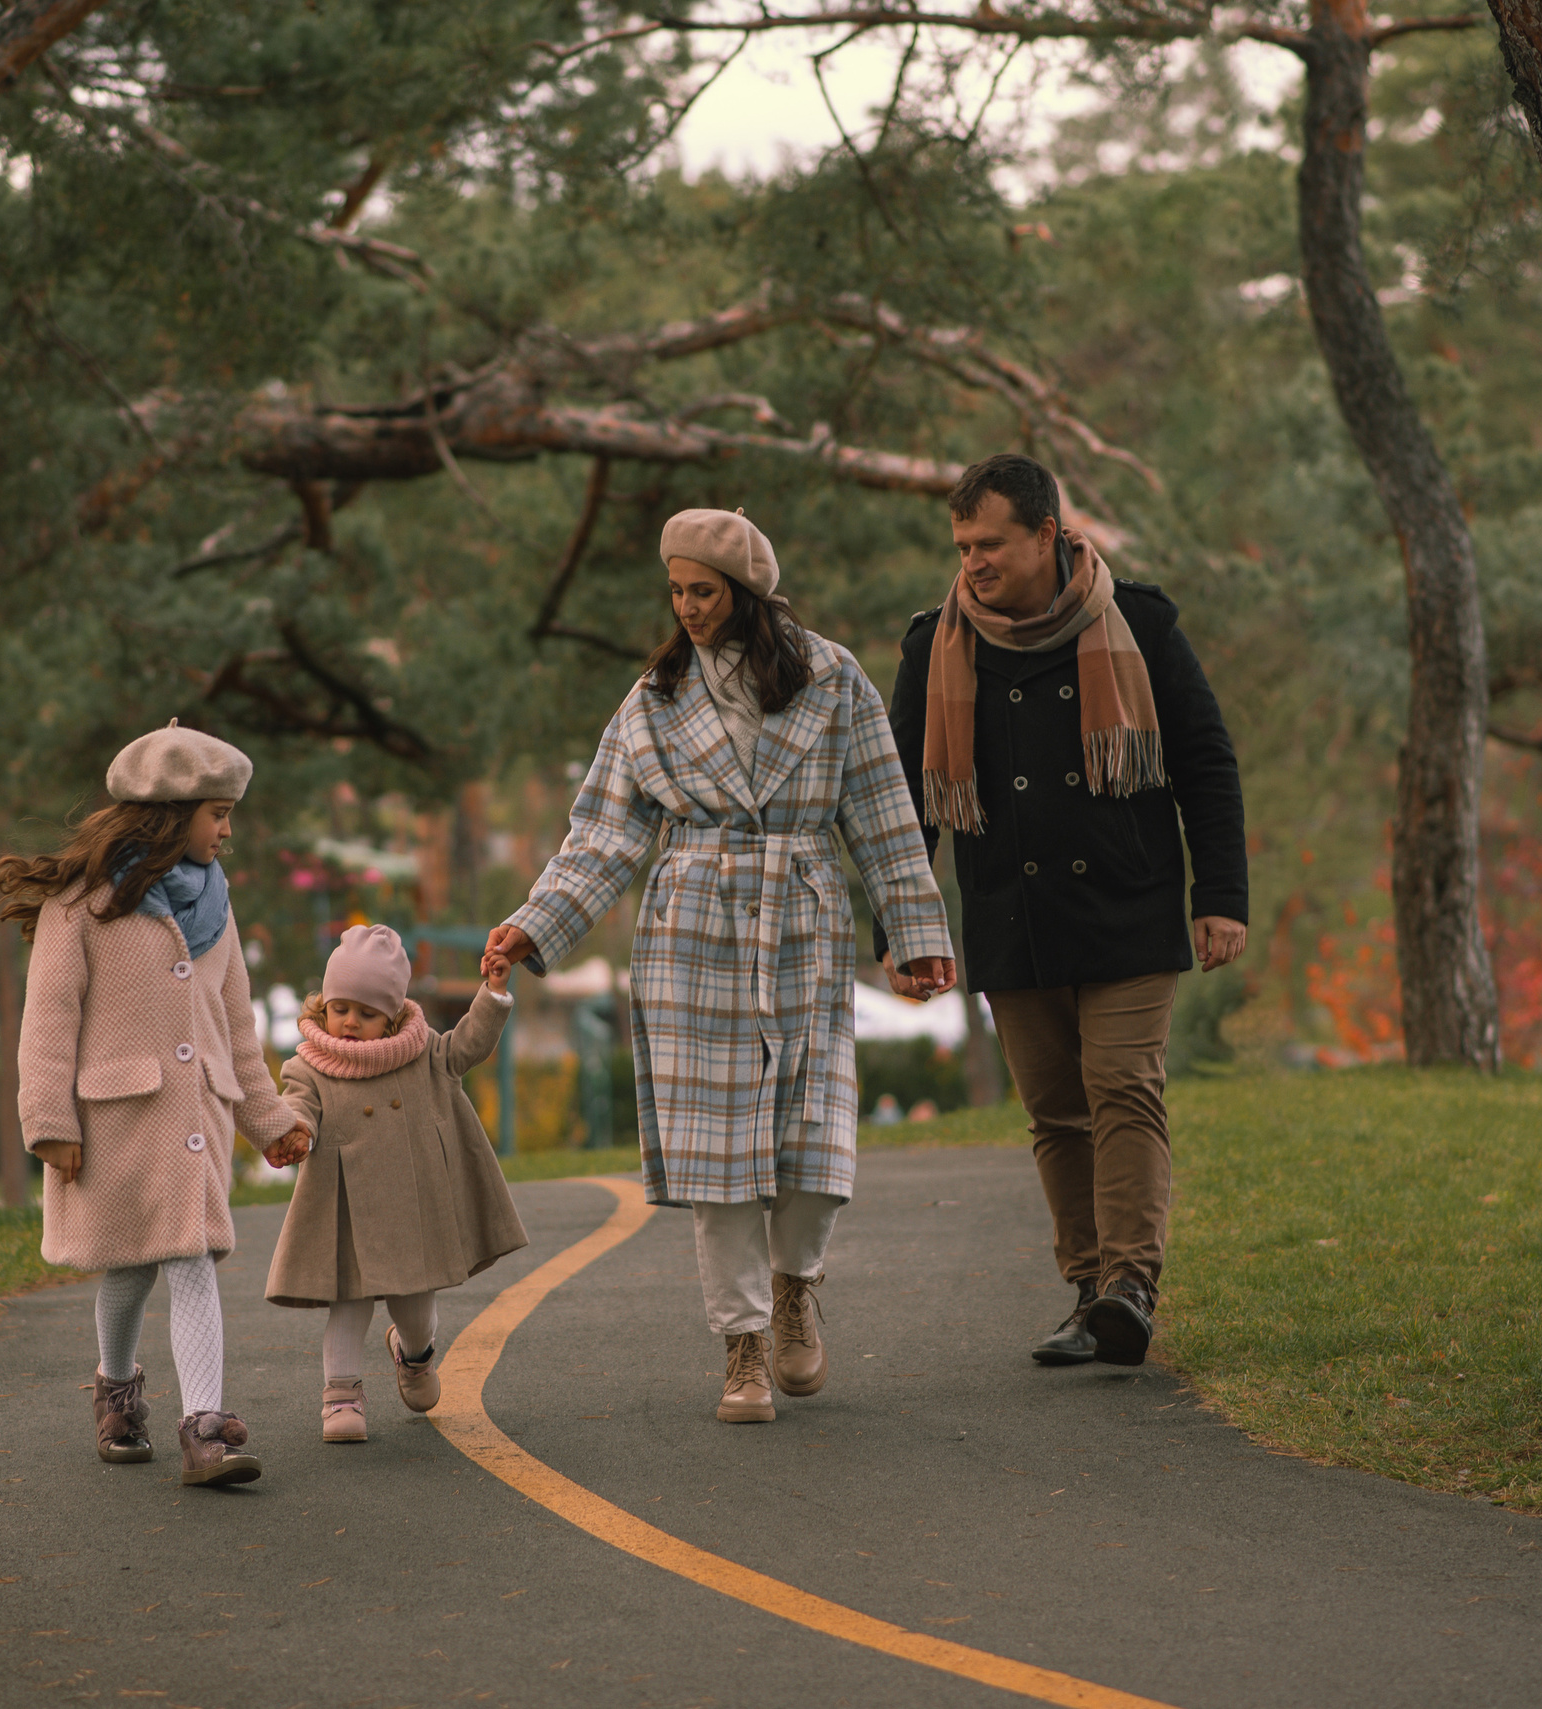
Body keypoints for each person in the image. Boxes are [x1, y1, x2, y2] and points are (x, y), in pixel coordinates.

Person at [484, 506, 956, 1425]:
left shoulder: (832, 678)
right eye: (677, 590)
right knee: (721, 1157)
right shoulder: (654, 697)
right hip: (691, 930)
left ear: (747, 591)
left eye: (703, 590)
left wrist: (916, 933)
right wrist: (534, 926)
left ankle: (794, 1288)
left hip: (802, 919)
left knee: (815, 1142)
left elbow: (882, 809)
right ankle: (740, 1347)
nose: (687, 607)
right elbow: (605, 834)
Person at [875, 454, 1246, 1369]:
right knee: (1054, 1111)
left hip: (1128, 901)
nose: (973, 561)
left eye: (991, 542)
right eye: (962, 545)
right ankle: (1090, 1290)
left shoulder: (1141, 623)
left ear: (1047, 534)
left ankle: (1131, 1283)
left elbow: (1205, 760)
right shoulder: (936, 645)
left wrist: (1222, 897)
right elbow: (902, 803)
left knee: (1122, 1088)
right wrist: (901, 929)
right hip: (1013, 911)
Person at [0, 719, 310, 1490]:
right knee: (130, 1271)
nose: (228, 830)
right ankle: (117, 1390)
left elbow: (237, 1024)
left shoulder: (218, 906)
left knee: (191, 1258)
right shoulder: (84, 902)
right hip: (114, 1124)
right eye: (218, 813)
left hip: (193, 1119)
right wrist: (49, 1124)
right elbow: (49, 1019)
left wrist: (268, 1119)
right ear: (171, 816)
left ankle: (203, 1426)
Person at [265, 923, 528, 1444]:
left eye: (366, 1014)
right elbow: (299, 1104)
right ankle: (341, 1396)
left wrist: (493, 994)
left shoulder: (421, 1052)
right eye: (340, 1008)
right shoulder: (308, 1065)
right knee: (348, 1302)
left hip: (412, 1204)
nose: (349, 1023)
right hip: (345, 1208)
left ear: (391, 1018)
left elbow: (465, 1049)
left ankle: (415, 1356)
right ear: (324, 1006)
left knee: (414, 1305)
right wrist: (295, 1130)